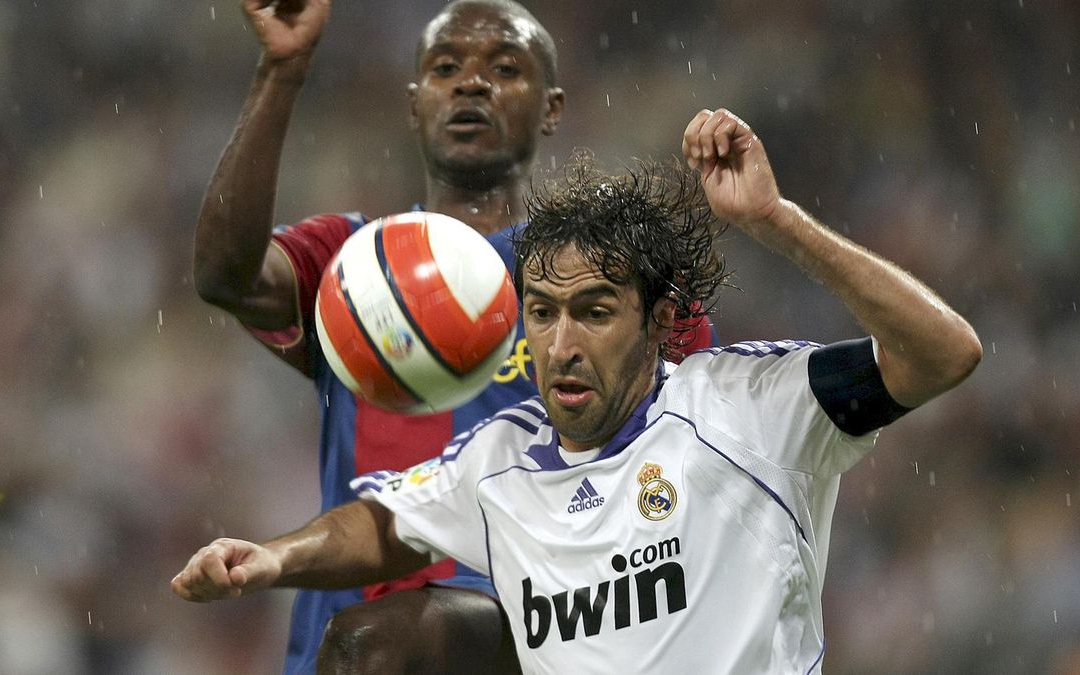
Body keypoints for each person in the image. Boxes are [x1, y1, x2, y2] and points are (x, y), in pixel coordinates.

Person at [174, 108, 983, 672]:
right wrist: (270, 558)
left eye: (594, 312)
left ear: (659, 321)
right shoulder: (501, 459)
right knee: (365, 645)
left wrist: (776, 221)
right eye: (542, 312)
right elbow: (383, 523)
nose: (561, 344)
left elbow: (944, 352)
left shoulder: (749, 405)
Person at [189, 1, 716, 672]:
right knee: (369, 646)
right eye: (445, 68)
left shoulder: (615, 274)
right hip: (347, 643)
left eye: (505, 68)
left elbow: (692, 456)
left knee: (382, 643)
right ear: (414, 105)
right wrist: (282, 70)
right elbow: (225, 277)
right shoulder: (352, 265)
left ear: (552, 108)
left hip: (536, 627)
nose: (471, 83)